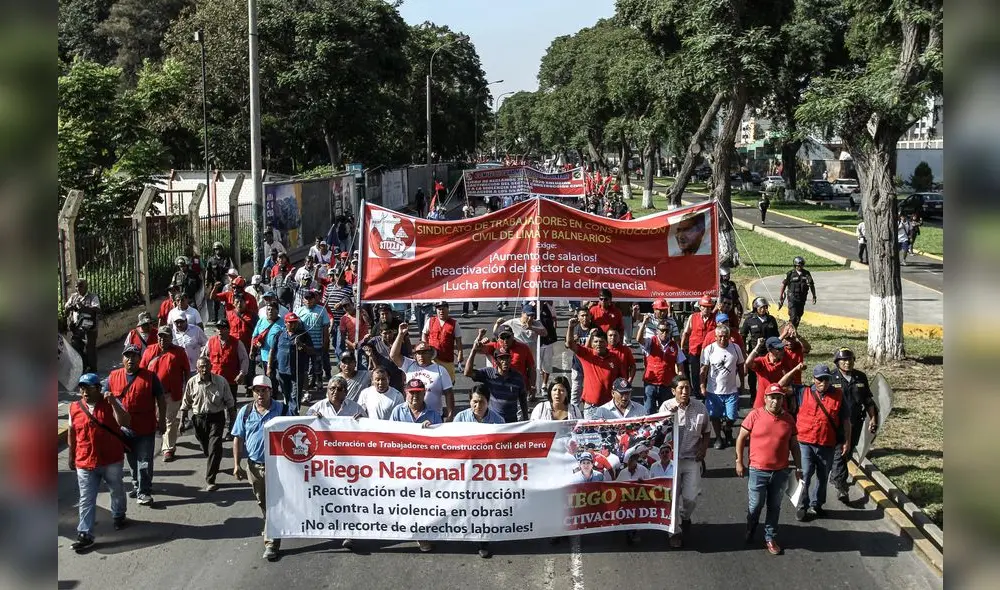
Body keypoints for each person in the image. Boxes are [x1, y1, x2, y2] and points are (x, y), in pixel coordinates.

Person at [735, 384, 804, 555]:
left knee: (774, 506)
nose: (775, 401)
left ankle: (770, 537)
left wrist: (798, 467)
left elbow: (794, 446)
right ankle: (751, 527)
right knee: (756, 505)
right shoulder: (755, 415)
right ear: (765, 398)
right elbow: (741, 438)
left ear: (783, 399)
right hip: (757, 470)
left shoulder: (788, 419)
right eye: (772, 397)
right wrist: (739, 461)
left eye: (779, 397)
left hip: (780, 471)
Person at [67, 373, 131, 552]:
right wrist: (72, 457)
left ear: (98, 388)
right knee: (86, 499)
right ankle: (85, 534)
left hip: (111, 459)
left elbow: (126, 421)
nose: (84, 391)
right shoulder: (74, 408)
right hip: (85, 461)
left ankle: (118, 514)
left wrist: (113, 404)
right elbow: (72, 435)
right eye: (82, 388)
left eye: (88, 387)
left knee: (116, 489)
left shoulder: (111, 403)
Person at [232, 375, 291, 561]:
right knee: (263, 502)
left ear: (270, 391)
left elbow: (295, 431)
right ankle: (271, 526)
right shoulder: (246, 411)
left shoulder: (282, 409)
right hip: (254, 466)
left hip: (278, 466)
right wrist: (236, 465)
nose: (260, 394)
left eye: (263, 390)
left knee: (273, 502)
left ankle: (271, 541)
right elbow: (238, 438)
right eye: (256, 390)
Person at [788, 364, 852, 521]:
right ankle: (802, 505)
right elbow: (780, 385)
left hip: (827, 444)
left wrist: (847, 442)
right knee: (806, 474)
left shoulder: (838, 395)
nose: (823, 383)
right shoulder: (803, 391)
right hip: (805, 443)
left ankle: (817, 505)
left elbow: (846, 421)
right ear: (813, 379)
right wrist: (795, 369)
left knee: (823, 477)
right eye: (820, 379)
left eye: (826, 379)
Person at [106, 344, 166, 506]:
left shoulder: (151, 377)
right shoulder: (113, 377)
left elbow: (161, 399)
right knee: (132, 461)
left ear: (140, 359)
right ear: (122, 359)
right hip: (124, 430)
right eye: (127, 356)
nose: (130, 359)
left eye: (134, 356)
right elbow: (104, 400)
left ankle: (144, 491)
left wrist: (162, 420)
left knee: (144, 461)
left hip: (145, 428)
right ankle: (137, 484)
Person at [659, 374, 711, 548]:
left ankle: (685, 517)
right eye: (680, 388)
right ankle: (674, 532)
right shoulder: (666, 406)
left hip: (691, 459)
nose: (684, 391)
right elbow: (657, 433)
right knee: (672, 498)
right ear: (673, 391)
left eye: (687, 387)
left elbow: (706, 431)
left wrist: (703, 450)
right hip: (671, 462)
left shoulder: (700, 407)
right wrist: (668, 417)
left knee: (691, 498)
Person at [179, 357, 235, 491]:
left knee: (215, 446)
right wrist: (182, 421)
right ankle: (212, 459)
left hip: (217, 418)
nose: (204, 369)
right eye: (201, 367)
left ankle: (211, 479)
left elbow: (230, 403)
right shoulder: (192, 383)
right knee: (207, 447)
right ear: (197, 369)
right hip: (199, 419)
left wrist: (233, 422)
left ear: (211, 367)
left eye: (206, 366)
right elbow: (185, 403)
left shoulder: (221, 382)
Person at [829, 348, 878, 502]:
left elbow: (868, 401)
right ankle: (841, 485)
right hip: (837, 423)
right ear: (837, 362)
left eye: (850, 359)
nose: (847, 362)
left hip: (855, 422)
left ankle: (835, 475)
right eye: (844, 360)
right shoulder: (830, 377)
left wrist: (873, 418)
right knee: (841, 451)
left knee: (848, 452)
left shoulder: (860, 377)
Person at [139, 326, 190, 462]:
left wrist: (188, 390)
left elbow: (186, 371)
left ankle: (168, 448)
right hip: (153, 394)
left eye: (166, 336)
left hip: (172, 393)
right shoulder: (150, 351)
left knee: (170, 420)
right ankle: (163, 440)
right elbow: (142, 371)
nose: (162, 339)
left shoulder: (179, 352)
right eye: (160, 336)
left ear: (171, 338)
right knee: (156, 419)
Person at [389, 327, 455, 421]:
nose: (421, 355)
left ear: (430, 354)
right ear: (415, 355)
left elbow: (449, 393)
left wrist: (450, 415)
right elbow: (393, 355)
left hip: (434, 417)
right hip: (410, 415)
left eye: (424, 352)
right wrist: (400, 334)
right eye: (418, 353)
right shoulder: (409, 365)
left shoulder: (440, 370)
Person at [565, 319, 625, 419]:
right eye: (596, 341)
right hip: (591, 407)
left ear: (607, 343)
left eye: (601, 341)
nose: (598, 344)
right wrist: (571, 327)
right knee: (591, 434)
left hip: (611, 407)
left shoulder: (615, 358)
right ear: (592, 344)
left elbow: (621, 381)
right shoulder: (586, 354)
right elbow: (570, 344)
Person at [465, 330, 529, 423]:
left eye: (507, 358)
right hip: (493, 422)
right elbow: (467, 372)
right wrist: (474, 351)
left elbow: (523, 399)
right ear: (496, 361)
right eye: (501, 359)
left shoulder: (518, 377)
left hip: (511, 422)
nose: (504, 361)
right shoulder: (488, 374)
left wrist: (526, 419)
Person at [700, 325, 745, 449]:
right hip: (713, 390)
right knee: (714, 415)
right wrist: (702, 385)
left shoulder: (735, 348)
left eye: (725, 336)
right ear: (715, 337)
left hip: (731, 390)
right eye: (720, 337)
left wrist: (741, 383)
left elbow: (741, 366)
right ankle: (719, 438)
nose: (723, 339)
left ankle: (727, 427)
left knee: (732, 416)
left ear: (729, 337)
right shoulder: (709, 349)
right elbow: (703, 369)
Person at [636, 315, 686, 415]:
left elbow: (680, 365)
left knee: (666, 413)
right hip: (651, 384)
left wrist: (679, 383)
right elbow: (639, 339)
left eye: (667, 331)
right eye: (662, 330)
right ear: (657, 331)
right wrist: (644, 323)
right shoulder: (651, 342)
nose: (664, 333)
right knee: (649, 412)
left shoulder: (674, 346)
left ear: (670, 332)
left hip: (667, 384)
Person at [267, 313, 313, 415]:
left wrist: (302, 345)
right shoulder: (279, 335)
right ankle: (286, 413)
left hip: (297, 371)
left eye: (295, 322)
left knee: (295, 395)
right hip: (282, 371)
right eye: (290, 323)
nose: (293, 325)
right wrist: (269, 367)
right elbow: (272, 351)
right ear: (285, 323)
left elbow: (311, 351)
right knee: (286, 394)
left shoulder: (303, 335)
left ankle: (293, 415)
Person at [202, 319, 250, 403]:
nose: (220, 331)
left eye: (223, 328)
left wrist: (242, 374)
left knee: (230, 404)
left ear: (228, 330)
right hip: (214, 379)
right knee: (214, 403)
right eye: (218, 328)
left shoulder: (237, 343)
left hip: (230, 380)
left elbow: (244, 359)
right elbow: (203, 358)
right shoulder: (210, 342)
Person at [740, 297, 780, 396]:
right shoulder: (750, 320)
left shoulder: (771, 319)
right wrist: (744, 349)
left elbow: (776, 335)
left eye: (765, 307)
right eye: (761, 307)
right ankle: (753, 396)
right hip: (755, 353)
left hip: (769, 353)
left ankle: (768, 394)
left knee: (769, 374)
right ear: (756, 308)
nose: (763, 309)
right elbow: (743, 335)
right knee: (752, 376)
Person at [745, 337, 800, 409]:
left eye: (782, 348)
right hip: (762, 405)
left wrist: (792, 398)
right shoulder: (762, 362)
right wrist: (758, 346)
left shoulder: (786, 362)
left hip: (780, 405)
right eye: (779, 349)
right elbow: (748, 363)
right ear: (770, 350)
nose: (782, 351)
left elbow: (791, 382)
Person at [483, 326, 536, 399]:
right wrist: (480, 340)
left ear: (513, 336)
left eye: (508, 337)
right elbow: (479, 349)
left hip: (519, 387)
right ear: (498, 338)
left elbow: (531, 368)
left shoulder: (524, 348)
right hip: (500, 388)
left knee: (521, 408)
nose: (505, 340)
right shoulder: (494, 346)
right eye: (502, 337)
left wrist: (532, 386)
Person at [295, 289, 331, 390]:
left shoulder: (322, 310)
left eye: (311, 298)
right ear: (303, 300)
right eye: (306, 298)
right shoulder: (299, 311)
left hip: (317, 343)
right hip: (304, 344)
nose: (309, 300)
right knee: (306, 366)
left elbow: (325, 328)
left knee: (317, 364)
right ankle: (310, 382)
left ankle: (319, 380)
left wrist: (325, 342)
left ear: (314, 299)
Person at [681, 296, 716, 398]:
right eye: (704, 307)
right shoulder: (693, 317)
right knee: (695, 374)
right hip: (695, 351)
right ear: (700, 307)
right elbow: (686, 333)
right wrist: (682, 347)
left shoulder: (715, 318)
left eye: (709, 307)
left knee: (709, 374)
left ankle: (708, 393)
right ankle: (697, 394)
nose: (706, 309)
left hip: (710, 352)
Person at [422, 301, 464, 382]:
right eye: (439, 309)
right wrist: (425, 347)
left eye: (443, 309)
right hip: (432, 358)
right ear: (436, 310)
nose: (441, 311)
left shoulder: (454, 323)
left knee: (449, 382)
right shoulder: (430, 321)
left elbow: (458, 340)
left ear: (448, 310)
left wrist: (460, 354)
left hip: (447, 359)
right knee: (432, 381)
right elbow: (424, 334)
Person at [65, 278, 101, 373]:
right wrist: (70, 307)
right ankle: (84, 366)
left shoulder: (92, 297)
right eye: (77, 286)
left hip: (90, 328)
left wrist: (84, 307)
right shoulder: (74, 297)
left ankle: (93, 370)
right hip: (76, 328)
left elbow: (97, 309)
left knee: (90, 349)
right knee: (76, 348)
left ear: (86, 287)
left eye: (80, 286)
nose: (78, 288)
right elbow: (66, 308)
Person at [566, 307, 594, 409]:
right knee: (575, 391)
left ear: (590, 316)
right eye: (582, 315)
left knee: (590, 391)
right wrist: (571, 335)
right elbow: (567, 344)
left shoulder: (595, 329)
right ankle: (574, 413)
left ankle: (588, 412)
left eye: (587, 315)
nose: (585, 318)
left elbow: (591, 349)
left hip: (591, 366)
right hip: (577, 365)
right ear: (578, 317)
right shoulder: (575, 328)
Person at [778, 257, 816, 328]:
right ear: (795, 265)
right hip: (792, 298)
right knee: (793, 316)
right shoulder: (790, 274)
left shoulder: (807, 274)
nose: (800, 267)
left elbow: (811, 285)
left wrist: (814, 296)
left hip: (802, 298)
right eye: (798, 265)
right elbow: (784, 284)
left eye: (801, 265)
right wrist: (781, 296)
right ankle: (789, 333)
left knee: (798, 316)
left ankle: (793, 331)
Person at [205, 242, 234, 323]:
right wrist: (207, 281)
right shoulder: (211, 260)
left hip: (225, 282)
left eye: (219, 249)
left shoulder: (226, 259)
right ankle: (215, 317)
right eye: (216, 249)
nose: (218, 251)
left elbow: (230, 269)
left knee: (226, 300)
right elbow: (208, 271)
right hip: (215, 283)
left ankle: (226, 316)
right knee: (215, 300)